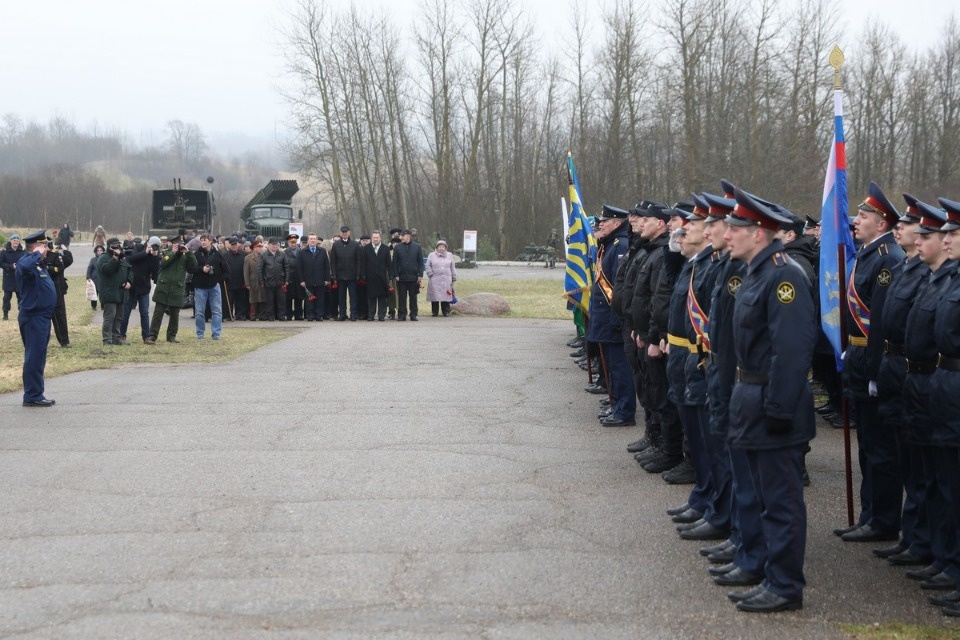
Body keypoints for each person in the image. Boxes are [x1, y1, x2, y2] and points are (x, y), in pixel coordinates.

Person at [722, 187, 815, 613]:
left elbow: (791, 351)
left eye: (734, 228)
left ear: (758, 233)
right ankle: (764, 569)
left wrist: (778, 409)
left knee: (781, 502)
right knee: (762, 497)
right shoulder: (758, 272)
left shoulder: (784, 275)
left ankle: (784, 586)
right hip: (751, 398)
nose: (726, 235)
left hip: (772, 404)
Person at [837, 181, 906, 543]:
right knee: (867, 446)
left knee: (881, 449)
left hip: (871, 361)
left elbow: (880, 322)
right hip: (859, 358)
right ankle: (869, 515)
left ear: (881, 224)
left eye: (864, 216)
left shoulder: (887, 260)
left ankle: (883, 520)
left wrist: (877, 371)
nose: (856, 221)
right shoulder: (867, 255)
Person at [15, 231, 58, 407]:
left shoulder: (38, 265)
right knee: (34, 356)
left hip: (42, 317)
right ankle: (32, 395)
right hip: (33, 317)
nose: (47, 249)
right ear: (36, 247)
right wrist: (36, 254)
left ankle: (36, 393)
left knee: (39, 356)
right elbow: (23, 267)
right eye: (44, 246)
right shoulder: (27, 263)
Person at [144, 239, 197, 344]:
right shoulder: (166, 252)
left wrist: (189, 253)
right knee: (158, 313)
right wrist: (173, 252)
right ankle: (152, 336)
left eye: (180, 244)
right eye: (176, 244)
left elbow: (193, 267)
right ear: (172, 244)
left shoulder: (185, 255)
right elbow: (163, 264)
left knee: (174, 314)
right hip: (163, 287)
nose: (178, 246)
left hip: (177, 288)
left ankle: (171, 336)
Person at [121, 237, 161, 343]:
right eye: (152, 244)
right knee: (126, 312)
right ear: (147, 242)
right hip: (131, 286)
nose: (153, 246)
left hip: (144, 287)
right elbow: (130, 259)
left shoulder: (155, 254)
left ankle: (146, 336)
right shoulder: (138, 247)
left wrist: (155, 256)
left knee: (144, 312)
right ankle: (121, 335)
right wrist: (145, 252)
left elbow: (155, 271)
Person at [97, 237, 133, 346]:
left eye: (118, 245)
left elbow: (130, 269)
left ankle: (116, 337)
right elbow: (107, 270)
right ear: (109, 246)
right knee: (109, 317)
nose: (117, 248)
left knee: (119, 317)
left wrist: (129, 282)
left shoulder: (122, 258)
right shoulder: (103, 258)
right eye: (114, 246)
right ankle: (107, 339)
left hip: (121, 292)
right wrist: (115, 258)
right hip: (109, 293)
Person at [192, 233, 228, 339]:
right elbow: (191, 269)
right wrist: (201, 269)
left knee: (216, 311)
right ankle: (200, 334)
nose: (203, 242)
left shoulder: (217, 254)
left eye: (205, 240)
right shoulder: (197, 254)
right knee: (199, 312)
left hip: (214, 286)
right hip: (200, 287)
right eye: (201, 240)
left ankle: (216, 334)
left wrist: (218, 280)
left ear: (211, 241)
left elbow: (226, 271)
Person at [296, 233, 330, 321]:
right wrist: (301, 280)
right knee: (309, 300)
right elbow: (299, 268)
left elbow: (326, 266)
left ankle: (319, 315)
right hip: (308, 280)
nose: (313, 240)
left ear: (317, 240)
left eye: (314, 239)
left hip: (320, 280)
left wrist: (327, 279)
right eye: (311, 239)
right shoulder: (302, 252)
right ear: (308, 241)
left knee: (320, 299)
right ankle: (310, 315)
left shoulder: (322, 251)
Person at [45, 241, 73, 348]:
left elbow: (66, 262)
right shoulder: (35, 256)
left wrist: (65, 250)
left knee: (60, 317)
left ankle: (64, 341)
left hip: (56, 291)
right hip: (42, 293)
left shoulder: (55, 255)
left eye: (46, 245)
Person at [329, 225, 361, 320]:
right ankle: (342, 314)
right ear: (341, 233)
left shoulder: (355, 244)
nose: (344, 233)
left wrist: (358, 274)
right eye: (343, 232)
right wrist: (334, 275)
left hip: (352, 275)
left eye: (346, 232)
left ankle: (353, 314)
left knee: (353, 296)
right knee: (341, 296)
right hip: (340, 275)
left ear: (349, 232)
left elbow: (358, 260)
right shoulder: (336, 245)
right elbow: (333, 261)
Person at [360, 231, 393, 321]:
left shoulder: (385, 248)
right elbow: (363, 263)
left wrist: (390, 275)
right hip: (370, 277)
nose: (375, 239)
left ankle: (381, 315)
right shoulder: (366, 248)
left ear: (380, 238)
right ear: (371, 238)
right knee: (371, 297)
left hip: (382, 277)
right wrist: (363, 275)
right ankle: (371, 315)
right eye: (374, 237)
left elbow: (389, 264)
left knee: (382, 297)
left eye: (377, 237)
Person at [392, 228, 424, 321]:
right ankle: (402, 314)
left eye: (403, 235)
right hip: (401, 277)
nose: (401, 237)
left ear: (408, 236)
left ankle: (413, 314)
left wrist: (420, 275)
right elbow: (395, 262)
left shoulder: (417, 247)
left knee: (413, 297)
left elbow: (420, 262)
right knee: (402, 297)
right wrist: (396, 274)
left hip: (413, 277)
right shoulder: (398, 247)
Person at [259, 237, 289, 321]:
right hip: (268, 282)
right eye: (273, 244)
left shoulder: (282, 254)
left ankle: (281, 315)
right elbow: (260, 269)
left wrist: (286, 280)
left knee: (281, 301)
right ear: (269, 245)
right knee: (270, 301)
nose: (275, 246)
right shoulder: (263, 255)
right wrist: (261, 281)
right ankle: (270, 316)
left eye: (276, 244)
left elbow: (286, 267)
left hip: (280, 282)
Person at [425, 240, 458, 317]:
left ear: (445, 247)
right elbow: (427, 265)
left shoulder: (449, 255)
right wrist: (430, 274)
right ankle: (434, 312)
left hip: (446, 278)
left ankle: (445, 311)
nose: (441, 248)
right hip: (435, 278)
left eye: (443, 247)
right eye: (439, 246)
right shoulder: (431, 255)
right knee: (434, 295)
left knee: (445, 295)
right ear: (437, 247)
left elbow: (452, 266)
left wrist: (454, 276)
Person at [223, 237, 249, 320]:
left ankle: (240, 314)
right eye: (232, 245)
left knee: (240, 300)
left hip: (241, 281)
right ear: (230, 245)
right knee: (229, 300)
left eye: (235, 244)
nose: (234, 246)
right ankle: (228, 315)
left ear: (238, 245)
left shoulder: (244, 254)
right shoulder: (225, 255)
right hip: (229, 281)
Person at [2, 233, 25, 320]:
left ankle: (22, 314)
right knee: (6, 298)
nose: (16, 242)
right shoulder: (4, 252)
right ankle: (5, 314)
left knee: (21, 298)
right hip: (8, 278)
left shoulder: (22, 252)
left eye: (17, 241)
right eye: (14, 240)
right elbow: (1, 263)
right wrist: (11, 266)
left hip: (19, 278)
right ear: (10, 241)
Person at [283, 233, 304, 321]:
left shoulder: (301, 252)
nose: (293, 244)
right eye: (291, 242)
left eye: (294, 242)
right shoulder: (284, 253)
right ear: (288, 242)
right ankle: (288, 314)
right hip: (289, 278)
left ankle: (298, 314)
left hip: (299, 278)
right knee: (288, 298)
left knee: (299, 297)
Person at [244, 240, 266, 320]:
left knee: (262, 298)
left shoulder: (263, 257)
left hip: (262, 281)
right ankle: (253, 315)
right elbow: (246, 272)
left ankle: (262, 315)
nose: (260, 248)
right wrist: (247, 284)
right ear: (254, 248)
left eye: (261, 247)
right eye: (258, 247)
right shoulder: (248, 258)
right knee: (253, 299)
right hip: (253, 281)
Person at [86, 245, 105, 310]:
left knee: (103, 293)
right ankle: (93, 306)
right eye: (98, 250)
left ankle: (103, 306)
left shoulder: (105, 259)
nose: (99, 252)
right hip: (95, 279)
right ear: (96, 252)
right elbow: (89, 268)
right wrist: (88, 277)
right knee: (94, 293)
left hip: (103, 279)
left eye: (101, 250)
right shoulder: (93, 260)